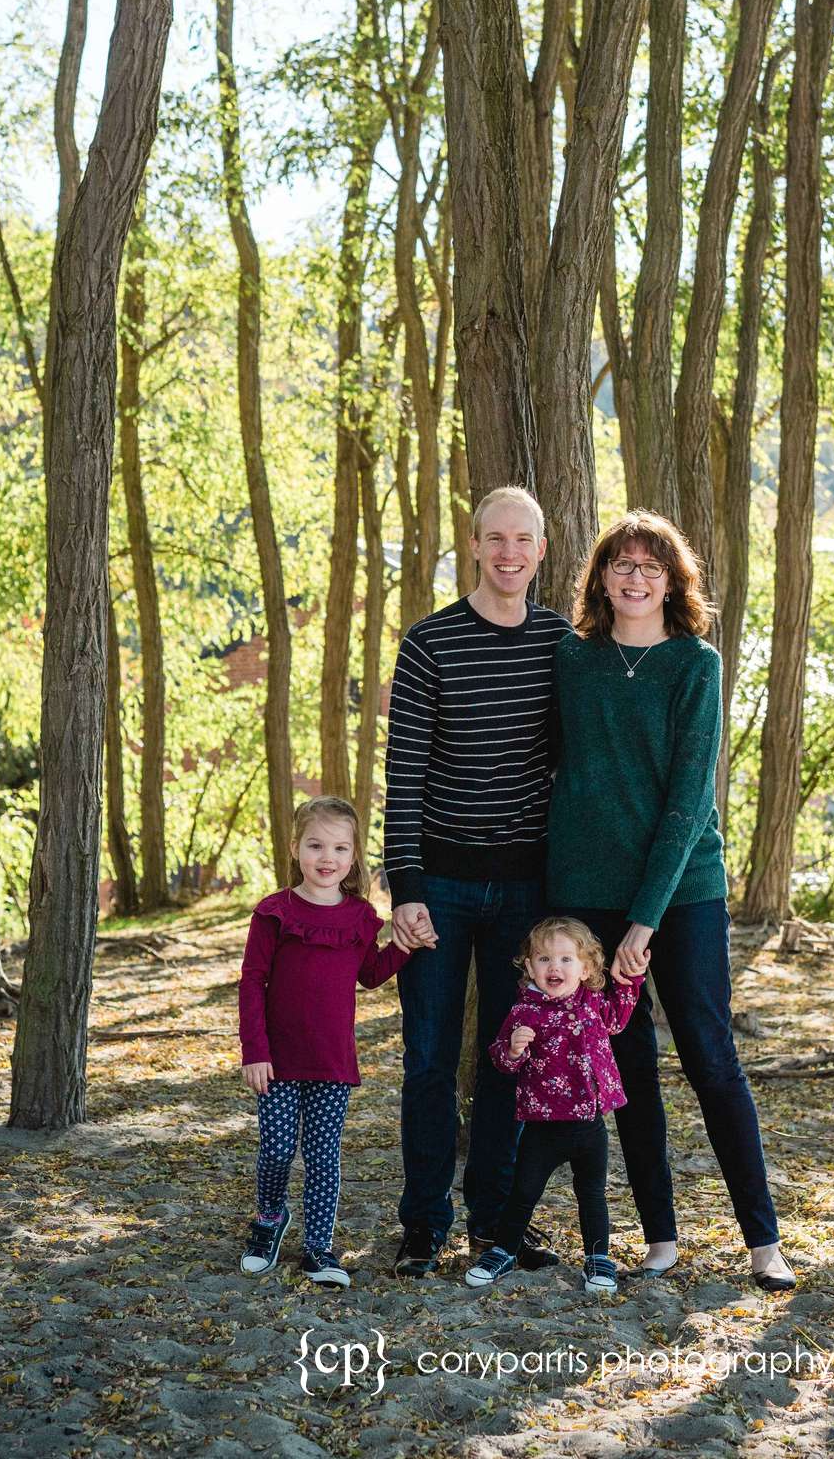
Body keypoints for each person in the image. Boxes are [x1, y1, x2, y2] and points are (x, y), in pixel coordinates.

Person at [547, 510, 796, 1293]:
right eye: (622, 563)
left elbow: (689, 800)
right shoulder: (572, 659)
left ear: (673, 580)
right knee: (629, 1069)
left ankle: (763, 1242)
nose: (635, 576)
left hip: (682, 895)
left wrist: (646, 921)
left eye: (652, 566)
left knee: (710, 1057)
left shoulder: (696, 664)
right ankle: (660, 1237)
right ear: (601, 577)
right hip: (587, 897)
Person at [384, 486, 573, 1277]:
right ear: (474, 545)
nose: (507, 553)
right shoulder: (429, 643)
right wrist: (405, 888)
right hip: (441, 889)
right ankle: (424, 1224)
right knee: (428, 1060)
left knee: (510, 1056)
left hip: (525, 894)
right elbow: (404, 773)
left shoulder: (563, 643)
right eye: (494, 538)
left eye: (521, 539)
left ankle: (494, 1221)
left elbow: (579, 766)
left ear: (539, 550)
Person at [238, 794, 419, 1286]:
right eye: (316, 845)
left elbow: (371, 974)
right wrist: (254, 1050)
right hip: (276, 1059)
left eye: (340, 848)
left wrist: (404, 948)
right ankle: (270, 1219)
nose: (327, 858)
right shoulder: (275, 912)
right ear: (295, 847)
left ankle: (319, 1247)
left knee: (323, 1156)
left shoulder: (360, 917)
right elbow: (252, 982)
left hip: (332, 1060)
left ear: (354, 855)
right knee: (276, 1150)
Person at [465, 916, 641, 1295]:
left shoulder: (593, 1003)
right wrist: (514, 1048)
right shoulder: (524, 1012)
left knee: (592, 1193)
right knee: (523, 1192)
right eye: (544, 959)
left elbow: (618, 1019)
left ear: (586, 968)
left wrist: (632, 980)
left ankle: (598, 1258)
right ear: (529, 967)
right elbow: (500, 1058)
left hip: (590, 1125)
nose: (554, 968)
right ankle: (503, 1250)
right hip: (543, 1127)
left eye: (565, 959)